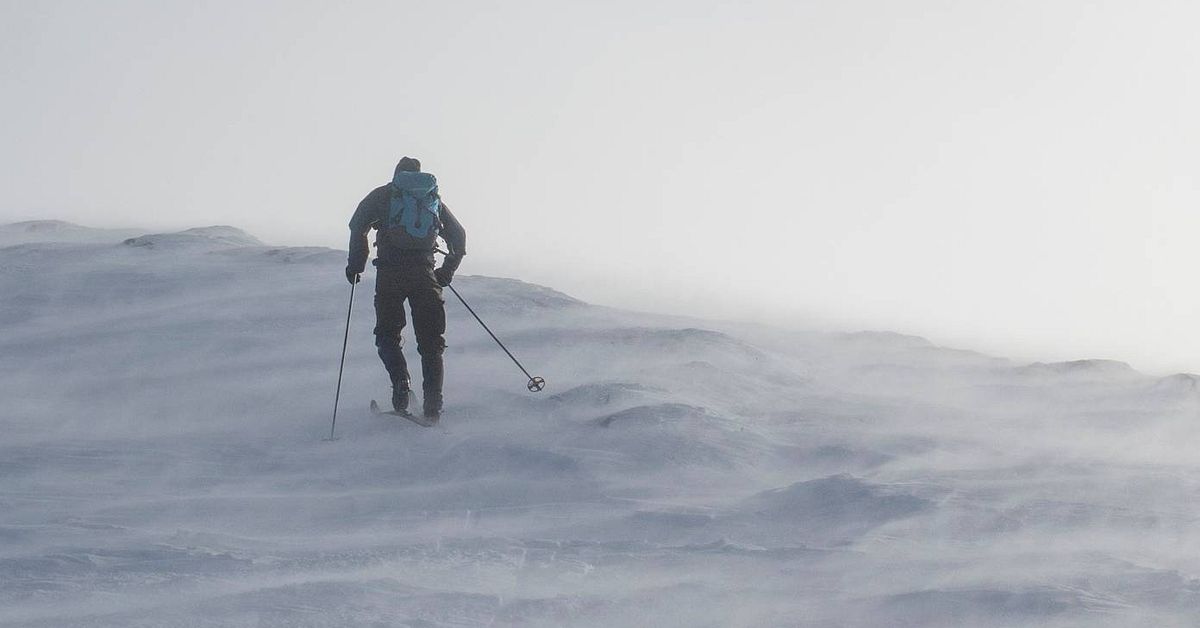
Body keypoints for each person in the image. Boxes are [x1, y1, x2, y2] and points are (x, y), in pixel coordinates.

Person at [346, 156, 466, 421]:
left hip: (390, 274)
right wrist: (446, 272)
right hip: (425, 276)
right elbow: (459, 236)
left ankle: (401, 385)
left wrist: (356, 265)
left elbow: (357, 225)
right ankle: (433, 406)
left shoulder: (384, 195)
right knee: (431, 344)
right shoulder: (431, 199)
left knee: (387, 335)